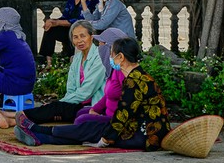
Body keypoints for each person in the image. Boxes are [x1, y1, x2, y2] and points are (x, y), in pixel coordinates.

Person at [13, 37, 171, 151]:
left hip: (146, 136)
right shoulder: (139, 76)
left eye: (111, 54)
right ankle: (40, 136)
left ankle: (38, 130)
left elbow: (122, 115)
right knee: (90, 128)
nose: (109, 58)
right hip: (140, 129)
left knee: (91, 130)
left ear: (120, 57)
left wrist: (103, 141)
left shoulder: (134, 81)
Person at [0, 20, 105, 127]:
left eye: (83, 36)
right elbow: (71, 88)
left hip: (93, 105)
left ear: (91, 36)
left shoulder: (99, 58)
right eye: (75, 37)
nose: (79, 41)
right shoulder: (77, 59)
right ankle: (11, 118)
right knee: (53, 109)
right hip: (77, 102)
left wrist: (62, 103)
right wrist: (64, 103)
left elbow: (87, 91)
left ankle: (11, 117)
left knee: (55, 107)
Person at [38, 0, 98, 69]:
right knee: (50, 29)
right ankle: (48, 63)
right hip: (68, 27)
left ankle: (71, 60)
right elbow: (65, 15)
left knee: (74, 32)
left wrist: (58, 23)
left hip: (81, 29)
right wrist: (53, 22)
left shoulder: (92, 0)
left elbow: (81, 20)